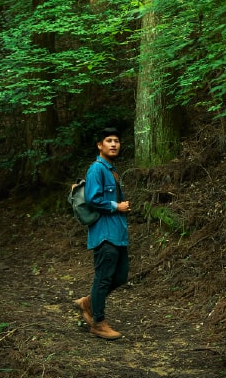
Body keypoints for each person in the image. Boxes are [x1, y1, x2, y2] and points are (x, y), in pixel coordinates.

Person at [73, 127, 132, 340]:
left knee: (120, 275)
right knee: (104, 278)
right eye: (109, 140)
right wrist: (116, 206)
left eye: (117, 140)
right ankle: (98, 322)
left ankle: (89, 302)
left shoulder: (111, 169)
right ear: (100, 145)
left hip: (118, 233)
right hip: (104, 233)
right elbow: (92, 198)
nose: (114, 144)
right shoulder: (96, 169)